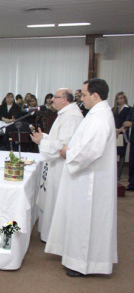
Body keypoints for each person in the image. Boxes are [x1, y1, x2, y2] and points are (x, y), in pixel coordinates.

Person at [47, 78, 117, 277]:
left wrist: (68, 152)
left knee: (85, 221)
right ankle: (80, 259)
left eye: (84, 95)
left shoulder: (100, 117)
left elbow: (90, 150)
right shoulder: (96, 113)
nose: (81, 99)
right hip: (88, 175)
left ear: (95, 95)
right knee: (82, 220)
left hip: (91, 180)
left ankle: (81, 263)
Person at [30, 88, 83, 243]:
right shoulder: (65, 114)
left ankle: (56, 238)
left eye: (55, 97)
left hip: (61, 167)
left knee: (56, 200)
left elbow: (63, 145)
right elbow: (57, 138)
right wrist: (45, 138)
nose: (52, 99)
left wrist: (43, 142)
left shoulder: (72, 117)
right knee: (51, 198)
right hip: (55, 165)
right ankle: (48, 233)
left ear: (65, 99)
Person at [112, 92, 130, 180]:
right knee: (114, 152)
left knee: (122, 154)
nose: (119, 100)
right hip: (114, 133)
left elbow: (128, 121)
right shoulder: (114, 109)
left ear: (125, 99)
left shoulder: (129, 109)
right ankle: (113, 173)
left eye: (121, 98)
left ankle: (119, 174)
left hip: (123, 133)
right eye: (118, 98)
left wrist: (120, 129)